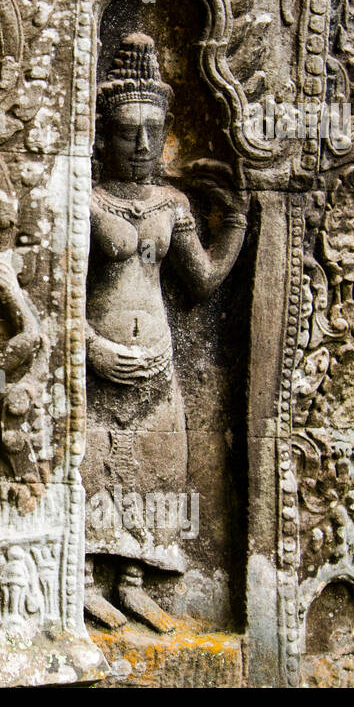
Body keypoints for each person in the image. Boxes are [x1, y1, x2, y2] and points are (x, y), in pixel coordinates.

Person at [83, 32, 246, 632]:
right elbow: (53, 291)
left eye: (155, 130)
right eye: (130, 131)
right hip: (99, 362)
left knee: (155, 470)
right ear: (105, 137)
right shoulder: (86, 199)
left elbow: (200, 281)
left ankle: (132, 582)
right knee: (93, 463)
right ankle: (81, 580)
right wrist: (92, 348)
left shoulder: (171, 202)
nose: (145, 144)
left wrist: (235, 221)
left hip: (156, 364)